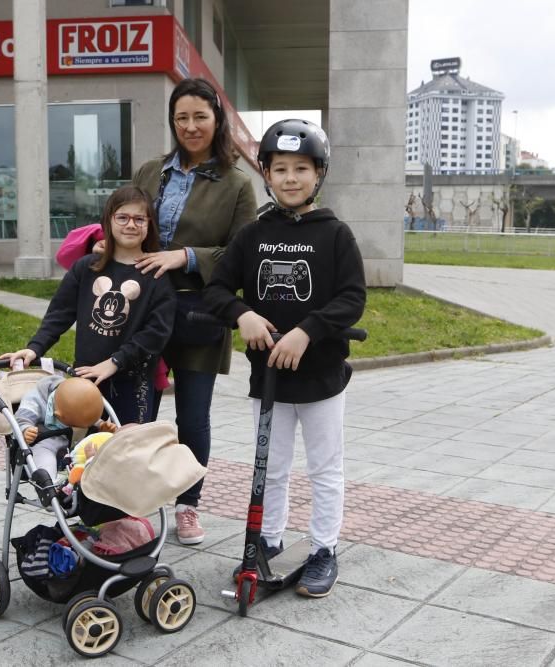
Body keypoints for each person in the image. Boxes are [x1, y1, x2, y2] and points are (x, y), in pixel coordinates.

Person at [203, 119, 366, 598]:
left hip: (321, 378)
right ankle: (267, 540)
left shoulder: (335, 234)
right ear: (267, 176)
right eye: (280, 169)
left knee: (323, 467)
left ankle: (322, 549)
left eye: (301, 169)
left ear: (318, 174)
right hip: (268, 379)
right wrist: (242, 314)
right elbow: (216, 289)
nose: (290, 178)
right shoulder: (254, 235)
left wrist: (307, 331)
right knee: (269, 468)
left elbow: (351, 298)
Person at [130, 77, 257, 545]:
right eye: (181, 117)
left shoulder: (238, 185)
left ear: (217, 119)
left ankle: (187, 504)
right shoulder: (150, 173)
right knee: (133, 408)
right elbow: (129, 223)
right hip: (142, 309)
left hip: (200, 310)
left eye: (200, 116)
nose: (190, 126)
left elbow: (242, 255)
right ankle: (132, 504)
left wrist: (183, 257)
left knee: (192, 415)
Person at [1, 185, 175, 428]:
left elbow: (156, 333)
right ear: (108, 221)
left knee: (126, 450)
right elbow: (60, 313)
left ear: (149, 225)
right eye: (122, 217)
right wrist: (34, 348)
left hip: (134, 383)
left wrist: (114, 362)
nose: (131, 225)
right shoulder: (86, 268)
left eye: (139, 219)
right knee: (84, 451)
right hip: (86, 378)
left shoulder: (156, 275)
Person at [14, 375, 117, 479]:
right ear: (58, 416)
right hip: (45, 440)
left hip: (77, 439)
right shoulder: (35, 400)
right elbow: (21, 418)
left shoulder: (80, 397)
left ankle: (92, 478)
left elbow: (86, 417)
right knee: (44, 457)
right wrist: (26, 429)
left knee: (99, 445)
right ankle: (49, 484)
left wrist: (100, 425)